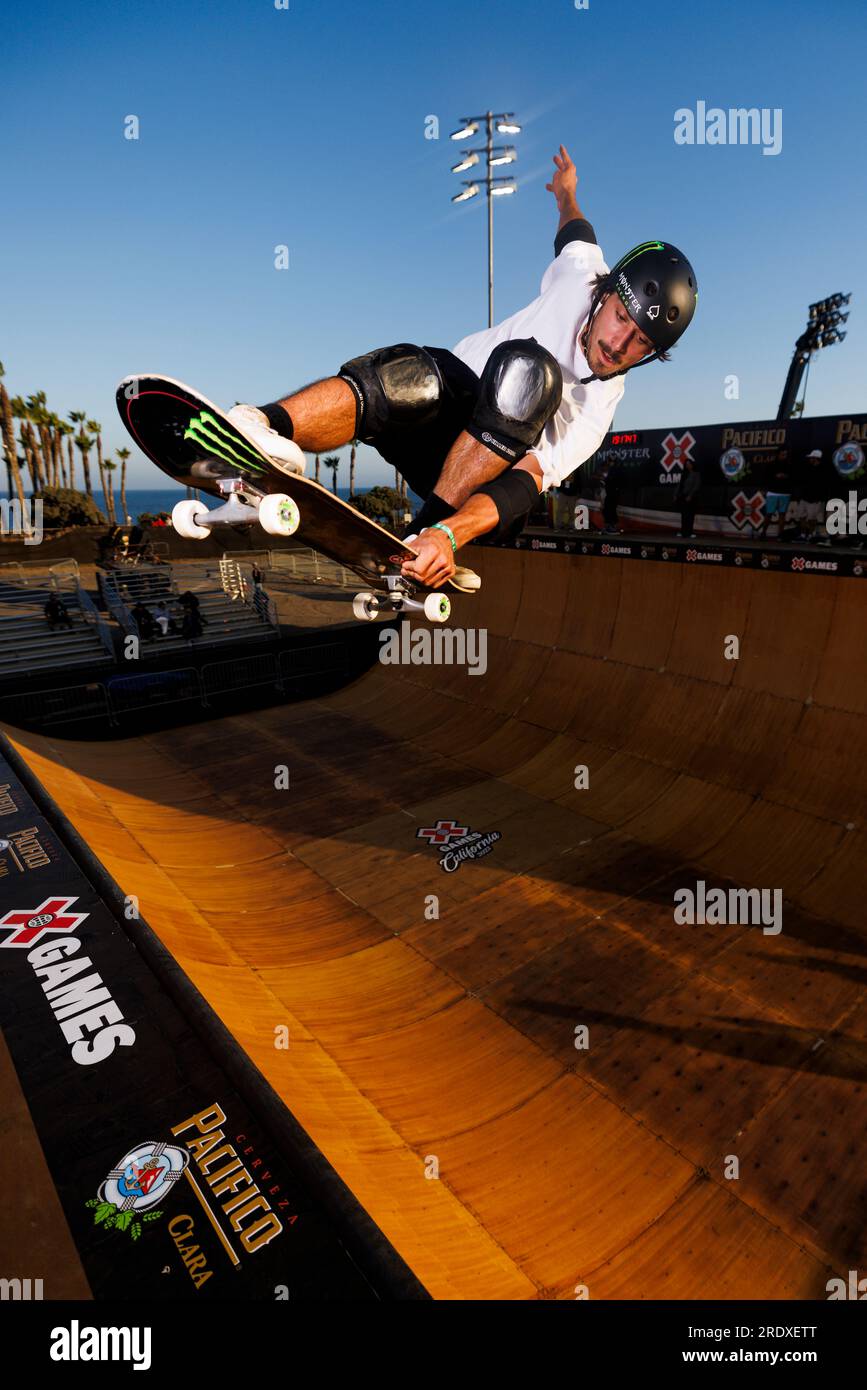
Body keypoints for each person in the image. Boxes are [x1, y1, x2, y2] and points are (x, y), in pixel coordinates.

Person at [223, 143, 697, 590]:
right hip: (432, 419)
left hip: (481, 492)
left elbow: (525, 482)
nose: (618, 344)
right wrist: (567, 189)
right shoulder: (582, 272)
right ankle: (260, 426)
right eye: (620, 318)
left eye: (641, 344)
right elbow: (575, 227)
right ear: (606, 293)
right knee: (414, 374)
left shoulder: (594, 413)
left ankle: (423, 537)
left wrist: (449, 535)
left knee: (530, 373)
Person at [794, 449, 826, 542]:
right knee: (802, 517)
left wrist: (819, 497)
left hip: (814, 499)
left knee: (812, 519)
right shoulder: (807, 468)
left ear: (816, 458)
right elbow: (802, 482)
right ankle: (803, 535)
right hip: (804, 498)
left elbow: (823, 485)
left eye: (811, 458)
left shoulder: (822, 470)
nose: (809, 459)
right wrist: (800, 496)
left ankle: (811, 535)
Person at [761, 451, 792, 539]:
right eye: (783, 454)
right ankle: (763, 533)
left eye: (785, 455)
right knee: (769, 513)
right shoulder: (771, 465)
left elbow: (793, 478)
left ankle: (780, 535)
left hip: (785, 493)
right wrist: (776, 476)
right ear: (778, 455)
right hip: (772, 492)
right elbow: (766, 477)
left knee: (782, 514)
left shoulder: (789, 465)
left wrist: (785, 476)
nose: (784, 456)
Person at [674, 458, 701, 537]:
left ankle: (690, 532)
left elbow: (696, 486)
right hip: (683, 497)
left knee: (690, 516)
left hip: (691, 498)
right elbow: (679, 485)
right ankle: (683, 532)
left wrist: (690, 495)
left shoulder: (696, 474)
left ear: (692, 465)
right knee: (684, 515)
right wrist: (675, 494)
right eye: (686, 464)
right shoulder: (684, 474)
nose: (688, 465)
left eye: (689, 464)